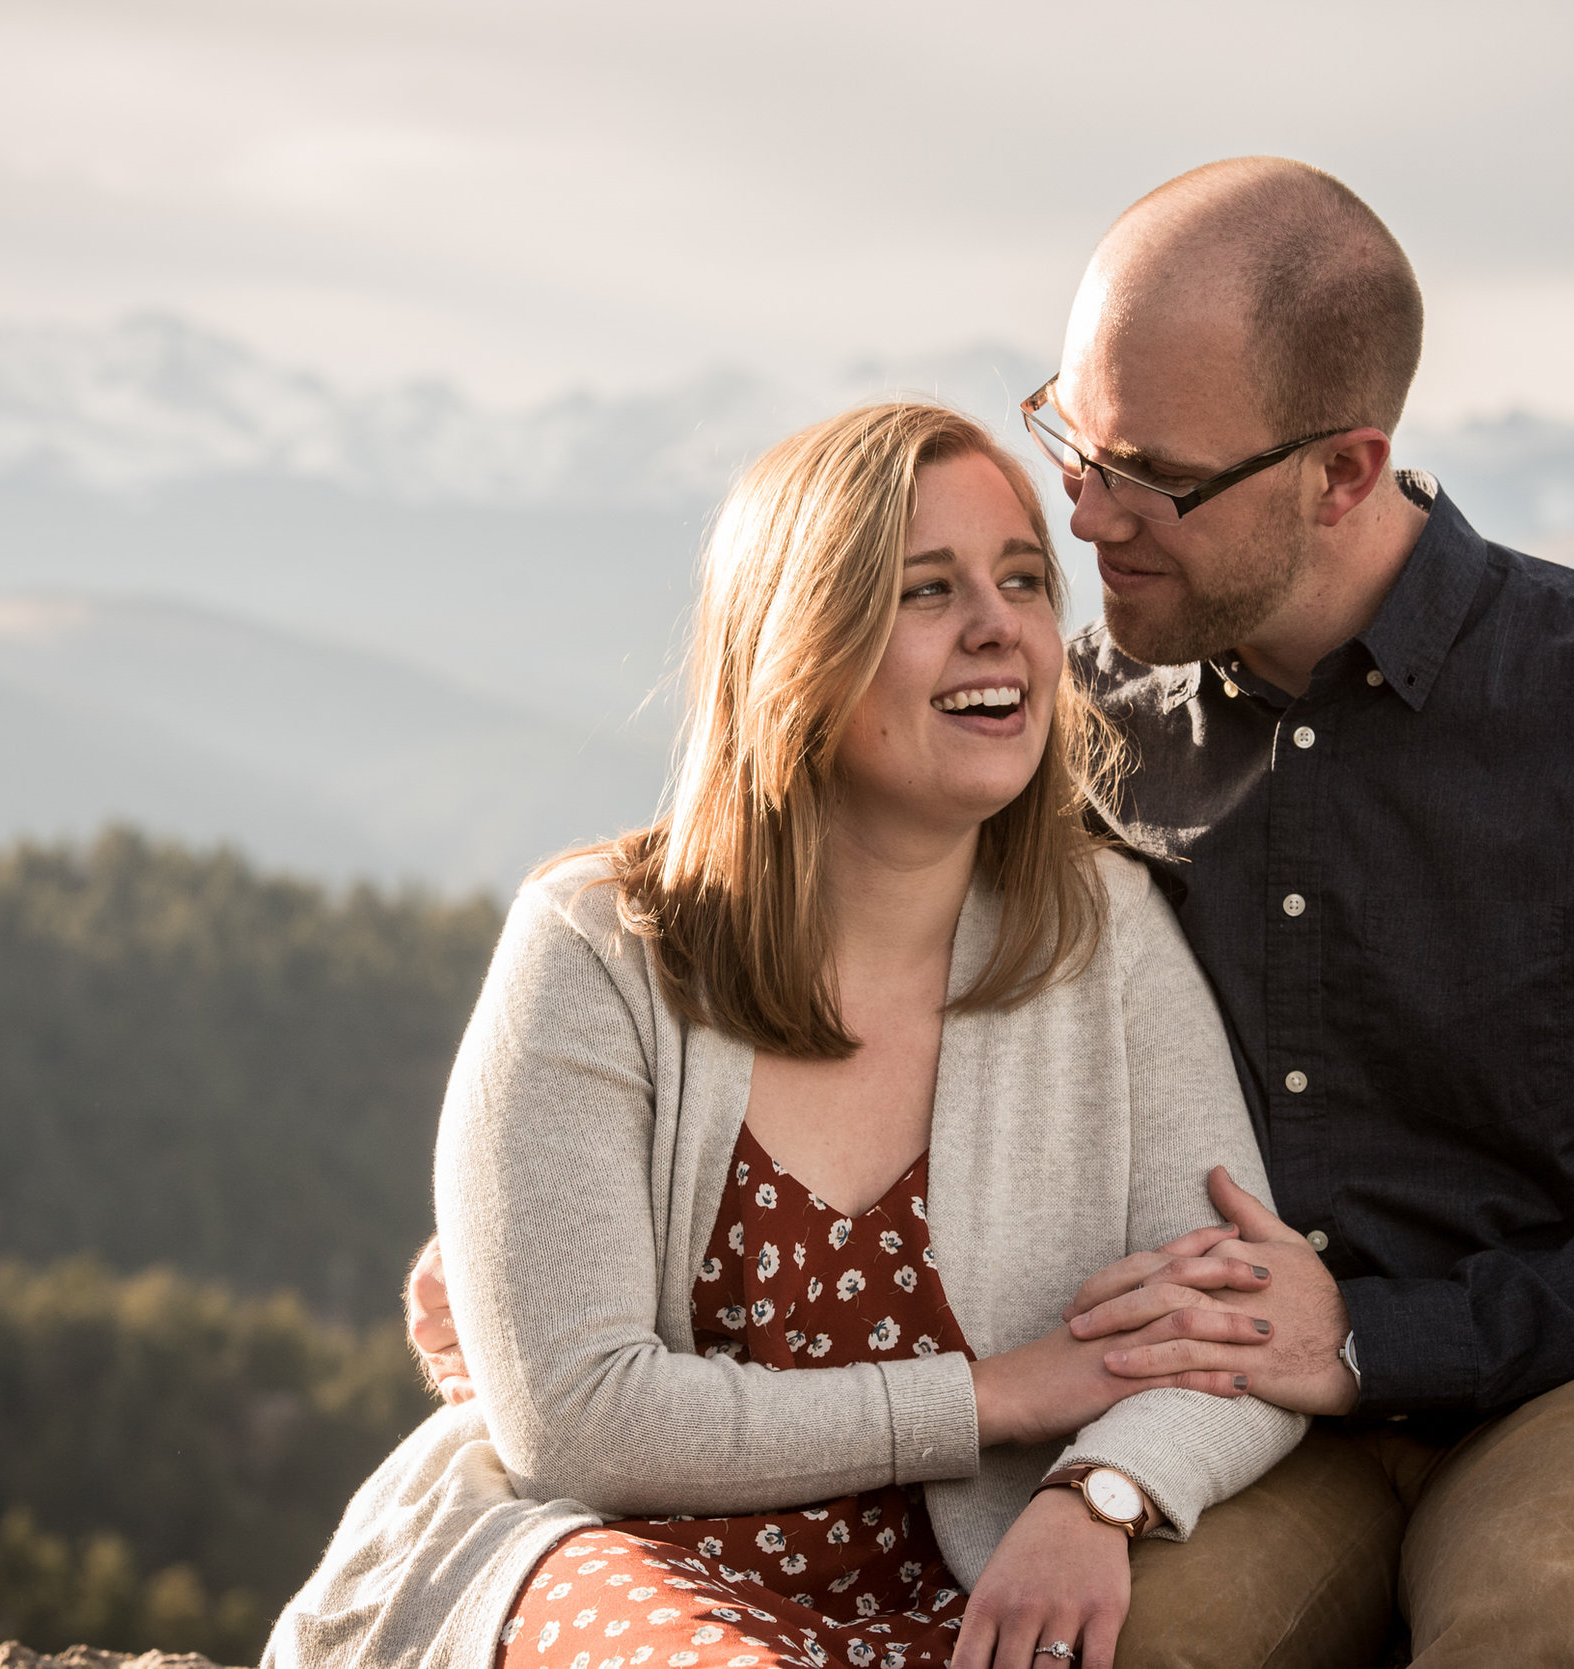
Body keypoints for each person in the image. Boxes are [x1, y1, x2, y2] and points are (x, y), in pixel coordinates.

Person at [415, 159, 1574, 1669]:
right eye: (1075, 435)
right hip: (1227, 1420)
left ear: (1343, 471)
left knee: (1552, 1638)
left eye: (1153, 478)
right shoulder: (1081, 723)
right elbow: (819, 851)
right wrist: (543, 1216)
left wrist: (1377, 1338)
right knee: (1100, 1650)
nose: (1083, 514)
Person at [270, 403, 1306, 1669]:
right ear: (799, 654)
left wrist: (1097, 1490)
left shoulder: (1108, 934)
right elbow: (580, 1423)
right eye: (926, 590)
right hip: (620, 1558)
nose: (1000, 625)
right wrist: (995, 1395)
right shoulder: (597, 945)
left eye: (1024, 578)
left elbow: (1238, 1328)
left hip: (969, 1577)